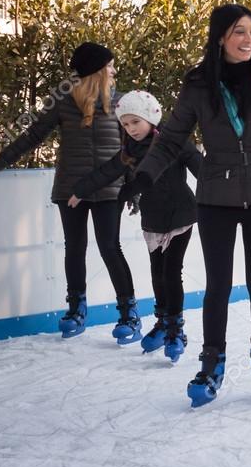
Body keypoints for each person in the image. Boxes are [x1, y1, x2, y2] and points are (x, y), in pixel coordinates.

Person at [124, 4, 251, 407]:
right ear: (220, 38)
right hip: (215, 197)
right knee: (217, 286)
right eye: (238, 32)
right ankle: (212, 359)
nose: (248, 39)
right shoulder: (199, 85)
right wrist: (142, 177)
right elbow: (170, 138)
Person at [0, 42, 138, 343]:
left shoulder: (121, 104)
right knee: (75, 246)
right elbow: (33, 135)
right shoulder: (64, 103)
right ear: (96, 71)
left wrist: (134, 189)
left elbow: (132, 147)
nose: (114, 70)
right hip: (70, 187)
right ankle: (76, 309)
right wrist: (2, 160)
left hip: (109, 188)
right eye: (109, 66)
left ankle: (128, 313)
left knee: (110, 247)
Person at [69, 90, 202, 363]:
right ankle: (163, 321)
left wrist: (222, 196)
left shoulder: (175, 142)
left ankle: (176, 329)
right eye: (126, 124)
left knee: (171, 271)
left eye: (135, 123)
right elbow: (108, 171)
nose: (131, 129)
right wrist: (81, 190)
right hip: (153, 219)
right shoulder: (130, 151)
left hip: (181, 216)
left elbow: (203, 169)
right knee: (157, 273)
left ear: (151, 117)